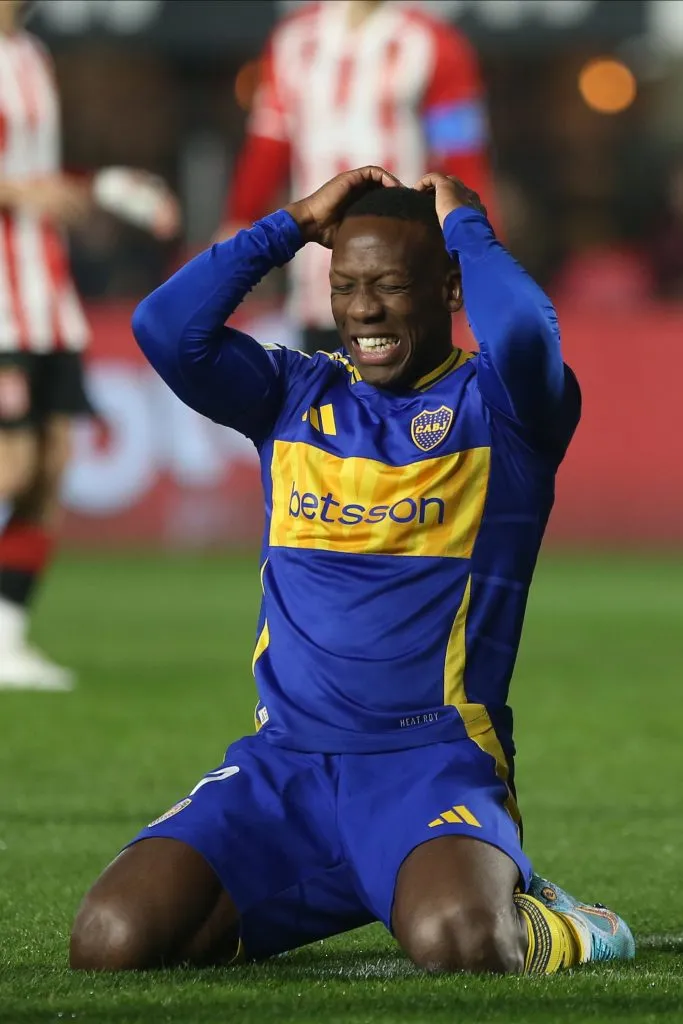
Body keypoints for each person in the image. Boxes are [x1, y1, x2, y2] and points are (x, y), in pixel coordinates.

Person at [70, 167, 635, 974]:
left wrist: (466, 227)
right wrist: (292, 223)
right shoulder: (291, 393)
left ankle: (577, 925)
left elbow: (519, 334)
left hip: (430, 765)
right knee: (111, 941)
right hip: (283, 769)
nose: (363, 311)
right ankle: (342, 883)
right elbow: (166, 327)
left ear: (447, 289)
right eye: (345, 287)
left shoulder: (504, 408)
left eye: (391, 287)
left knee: (463, 944)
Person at [0, 0, 179, 690]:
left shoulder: (32, 57)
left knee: (50, 466)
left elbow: (35, 170)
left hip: (46, 298)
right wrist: (24, 195)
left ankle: (8, 638)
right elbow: (23, 183)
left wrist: (97, 186)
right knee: (11, 468)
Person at [220, 0, 496, 356]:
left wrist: (480, 255)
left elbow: (463, 157)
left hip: (404, 265)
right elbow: (268, 144)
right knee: (326, 395)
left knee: (401, 395)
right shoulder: (293, 39)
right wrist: (239, 221)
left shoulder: (434, 42)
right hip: (319, 272)